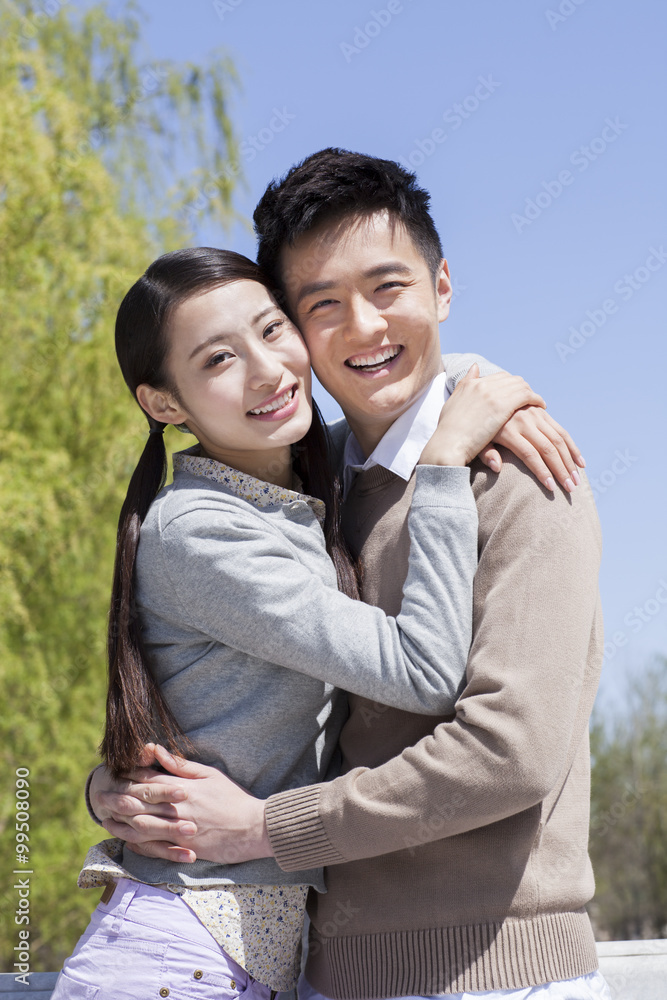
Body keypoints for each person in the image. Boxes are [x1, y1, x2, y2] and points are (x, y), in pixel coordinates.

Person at [93, 150, 609, 1000]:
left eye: (388, 287)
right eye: (320, 305)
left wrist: (265, 827)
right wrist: (128, 783)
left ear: (442, 286)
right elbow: (221, 686)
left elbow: (509, 752)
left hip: (496, 974)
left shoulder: (514, 474)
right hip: (320, 971)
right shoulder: (302, 486)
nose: (363, 327)